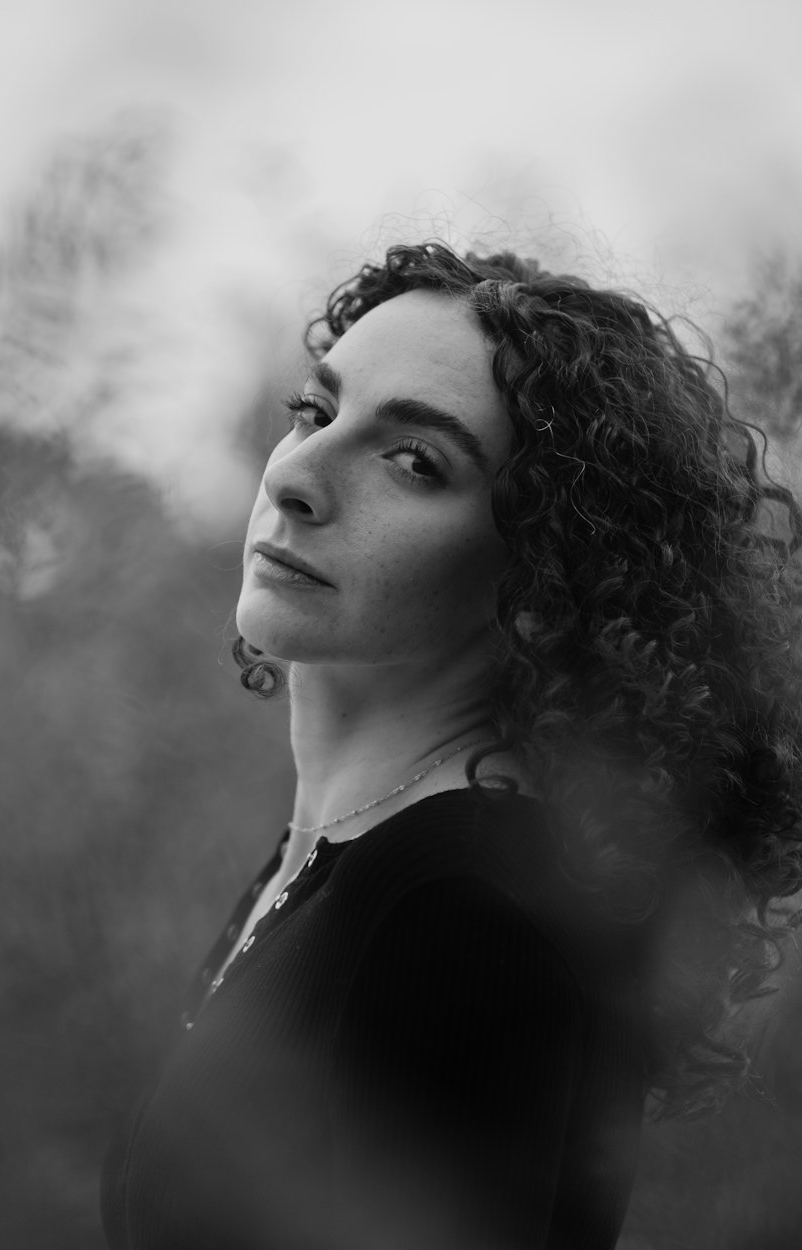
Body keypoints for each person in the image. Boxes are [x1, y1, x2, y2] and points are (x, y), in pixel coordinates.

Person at [101, 242, 802, 1249]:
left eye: (415, 462)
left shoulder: (466, 902)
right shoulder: (346, 853)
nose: (298, 474)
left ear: (551, 569)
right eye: (315, 411)